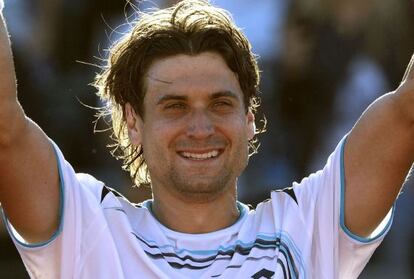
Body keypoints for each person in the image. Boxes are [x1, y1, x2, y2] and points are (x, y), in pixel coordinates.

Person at [0, 0, 413, 278]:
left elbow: (407, 113)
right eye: (174, 106)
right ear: (133, 123)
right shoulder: (87, 229)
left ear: (249, 118)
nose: (201, 128)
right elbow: (4, 127)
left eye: (220, 104)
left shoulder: (309, 226)